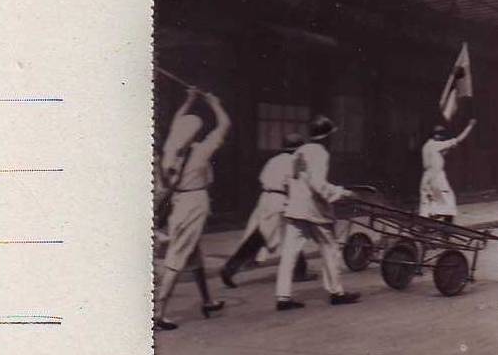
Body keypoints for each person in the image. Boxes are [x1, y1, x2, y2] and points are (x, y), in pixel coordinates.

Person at [154, 88, 231, 330]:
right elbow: (224, 125)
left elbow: (178, 120)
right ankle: (159, 311)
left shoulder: (169, 149)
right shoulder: (199, 151)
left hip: (178, 203)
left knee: (193, 253)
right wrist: (214, 103)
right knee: (177, 257)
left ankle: (207, 301)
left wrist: (188, 100)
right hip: (194, 203)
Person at [274, 115, 361, 311]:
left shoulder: (299, 152)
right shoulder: (320, 153)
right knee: (330, 248)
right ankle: (336, 292)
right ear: (327, 136)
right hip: (313, 209)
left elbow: (291, 180)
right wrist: (341, 193)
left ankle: (283, 296)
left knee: (289, 253)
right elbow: (318, 183)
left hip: (295, 207)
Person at [220, 133, 315, 288]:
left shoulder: (273, 160)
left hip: (266, 199)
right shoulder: (296, 161)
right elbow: (297, 185)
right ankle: (229, 268)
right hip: (281, 200)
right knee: (264, 237)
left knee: (283, 234)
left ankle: (300, 271)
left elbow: (262, 179)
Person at [419, 119, 478, 223]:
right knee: (448, 201)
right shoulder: (436, 145)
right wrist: (470, 126)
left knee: (428, 203)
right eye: (441, 135)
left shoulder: (427, 145)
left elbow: (437, 156)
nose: (442, 138)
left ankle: (427, 225)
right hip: (436, 177)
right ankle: (447, 228)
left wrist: (447, 149)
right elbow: (458, 139)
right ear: (436, 135)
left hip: (427, 177)